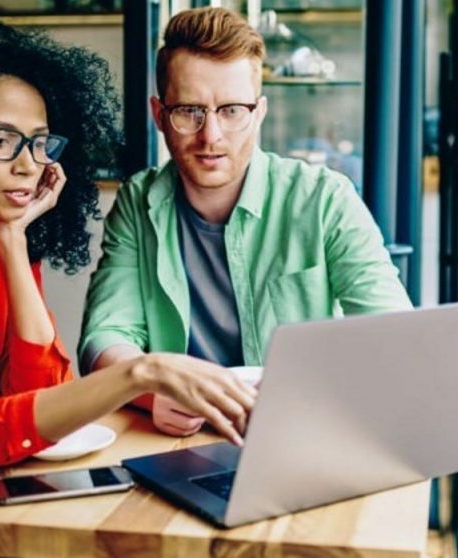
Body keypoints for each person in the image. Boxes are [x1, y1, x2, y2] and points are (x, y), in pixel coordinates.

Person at [0, 22, 257, 488]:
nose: (28, 164)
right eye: (0, 140)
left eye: (39, 142)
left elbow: (44, 401)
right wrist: (144, 372)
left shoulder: (6, 246)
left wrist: (15, 246)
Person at [79, 7, 411, 438]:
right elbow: (104, 336)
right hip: (177, 443)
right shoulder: (138, 202)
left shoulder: (325, 198)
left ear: (259, 113)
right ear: (159, 115)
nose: (211, 135)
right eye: (189, 111)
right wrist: (152, 392)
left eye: (232, 110)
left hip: (300, 431)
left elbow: (394, 336)